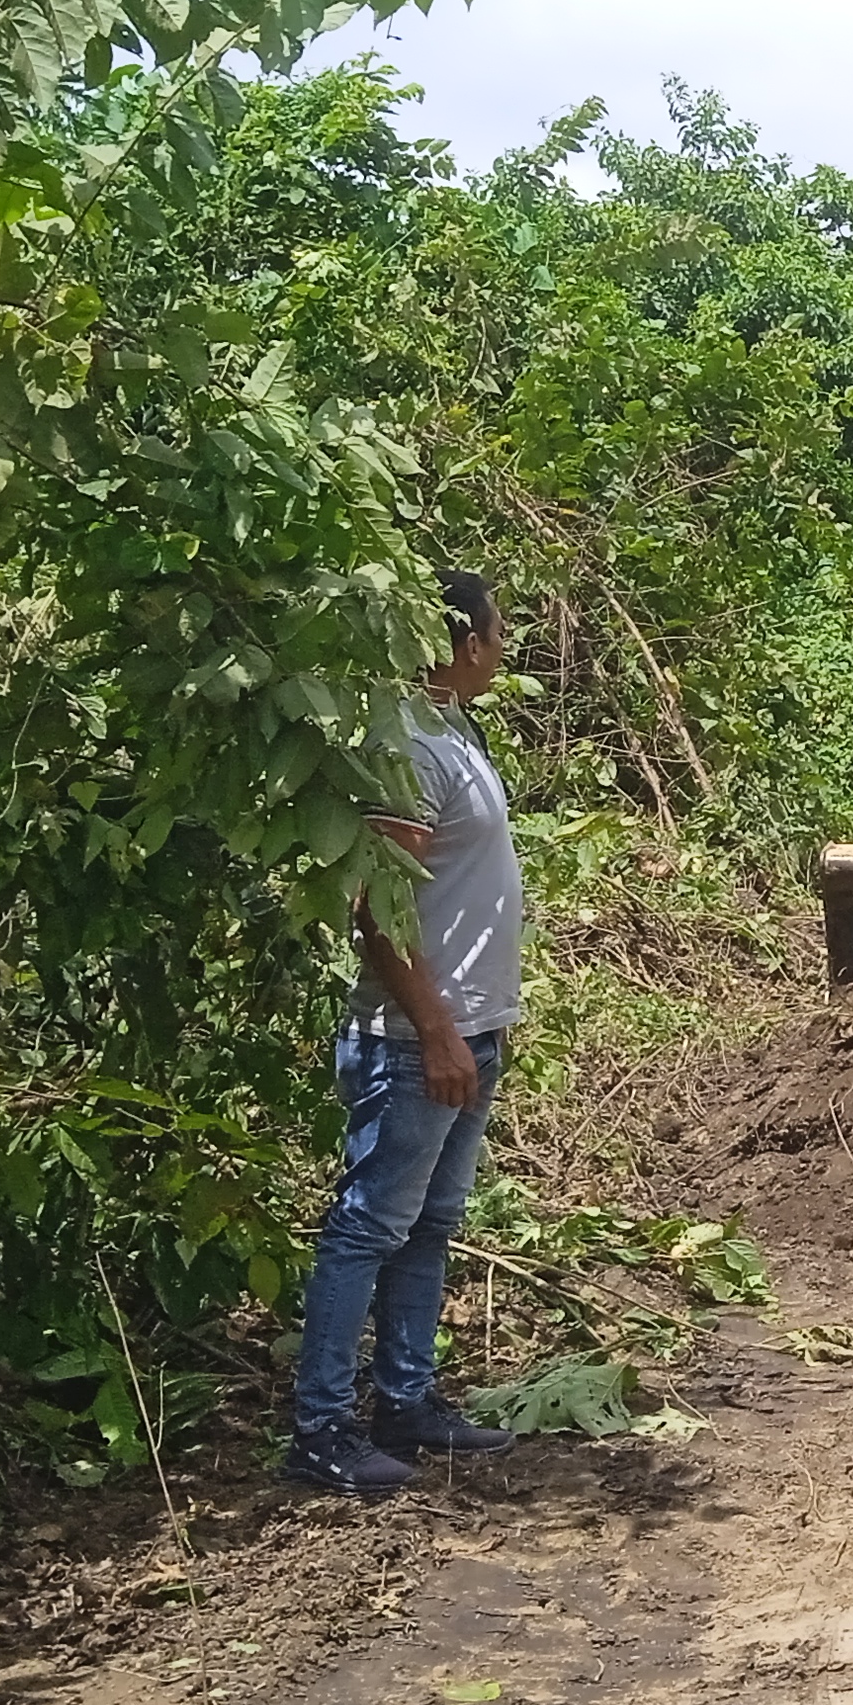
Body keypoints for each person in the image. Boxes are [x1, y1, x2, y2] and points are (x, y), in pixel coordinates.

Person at [285, 568, 528, 1495]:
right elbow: (378, 909)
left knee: (428, 1224)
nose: (503, 649)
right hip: (415, 1039)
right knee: (368, 1227)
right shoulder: (410, 749)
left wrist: (475, 1026)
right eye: (497, 634)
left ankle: (406, 1401)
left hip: (470, 1030)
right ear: (466, 644)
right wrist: (434, 1030)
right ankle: (320, 1431)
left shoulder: (451, 731)